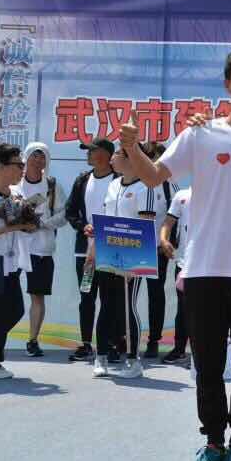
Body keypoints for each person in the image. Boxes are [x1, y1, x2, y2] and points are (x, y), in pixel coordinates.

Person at [122, 47, 231, 461]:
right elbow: (154, 175)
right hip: (202, 269)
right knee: (208, 362)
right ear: (227, 85)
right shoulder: (200, 135)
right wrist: (130, 147)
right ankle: (214, 442)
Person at [88, 140, 165, 378]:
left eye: (117, 154)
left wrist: (134, 265)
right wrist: (93, 249)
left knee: (127, 306)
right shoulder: (112, 185)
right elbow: (104, 218)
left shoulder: (146, 187)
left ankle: (133, 361)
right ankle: (101, 357)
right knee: (106, 305)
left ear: (131, 158)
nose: (112, 158)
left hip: (132, 256)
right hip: (107, 252)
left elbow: (146, 225)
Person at [0, 143, 35, 379]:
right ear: (2, 166)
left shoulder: (16, 192)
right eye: (18, 165)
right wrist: (5, 229)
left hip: (12, 264)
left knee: (14, 310)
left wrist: (28, 225)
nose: (22, 169)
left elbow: (20, 224)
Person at [13, 142, 68, 358]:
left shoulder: (52, 186)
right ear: (26, 158)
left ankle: (32, 340)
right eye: (34, 156)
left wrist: (43, 224)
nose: (38, 160)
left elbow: (63, 214)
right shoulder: (14, 184)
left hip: (42, 249)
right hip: (14, 248)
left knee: (37, 296)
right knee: (4, 292)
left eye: (42, 156)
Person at [64, 138, 116, 361]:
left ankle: (110, 345)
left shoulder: (119, 180)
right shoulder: (82, 180)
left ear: (105, 154)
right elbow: (70, 212)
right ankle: (86, 345)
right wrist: (82, 225)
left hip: (111, 252)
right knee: (87, 296)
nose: (88, 154)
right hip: (85, 254)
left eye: (92, 150)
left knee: (109, 299)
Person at [144, 142, 177, 359]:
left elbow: (176, 217)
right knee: (124, 294)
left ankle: (153, 340)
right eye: (149, 157)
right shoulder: (132, 180)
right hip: (131, 247)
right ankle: (121, 339)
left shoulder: (169, 185)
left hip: (156, 248)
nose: (152, 161)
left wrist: (168, 243)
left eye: (156, 157)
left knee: (155, 295)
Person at [159, 187, 191, 364]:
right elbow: (168, 223)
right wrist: (164, 240)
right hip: (184, 264)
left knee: (208, 311)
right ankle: (179, 350)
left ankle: (202, 354)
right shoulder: (182, 195)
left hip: (209, 266)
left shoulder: (218, 193)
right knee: (183, 309)